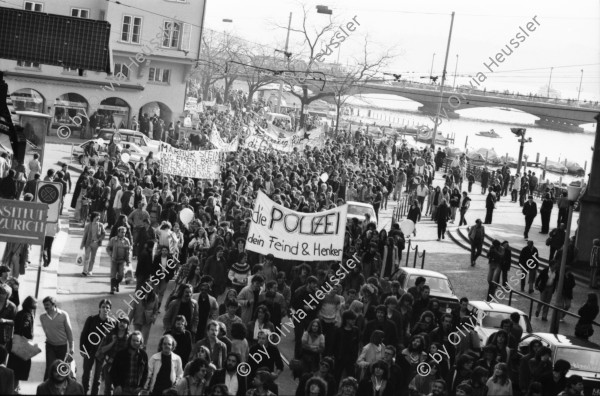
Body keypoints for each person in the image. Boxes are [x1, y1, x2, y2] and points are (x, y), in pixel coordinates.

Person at [79, 299, 116, 395]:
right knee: (86, 375)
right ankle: (84, 392)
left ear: (110, 310)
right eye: (103, 307)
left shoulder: (112, 323)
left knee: (98, 377)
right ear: (99, 308)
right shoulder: (91, 319)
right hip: (89, 350)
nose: (105, 309)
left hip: (102, 353)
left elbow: (114, 339)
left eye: (107, 307)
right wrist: (82, 349)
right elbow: (84, 335)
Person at [40, 296, 74, 381]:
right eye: (44, 305)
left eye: (47, 305)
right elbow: (46, 331)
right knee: (49, 368)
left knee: (60, 369)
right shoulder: (42, 317)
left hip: (62, 346)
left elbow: (69, 331)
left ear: (53, 304)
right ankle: (45, 389)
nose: (46, 307)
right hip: (50, 346)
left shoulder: (63, 315)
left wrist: (71, 347)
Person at [110, 331, 149, 395]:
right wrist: (117, 385)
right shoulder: (121, 354)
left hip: (136, 390)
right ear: (129, 340)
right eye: (133, 340)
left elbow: (145, 372)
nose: (135, 343)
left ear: (140, 342)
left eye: (137, 341)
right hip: (122, 389)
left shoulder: (143, 355)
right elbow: (113, 371)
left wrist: (141, 386)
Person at [106, 226, 132, 294]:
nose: (123, 234)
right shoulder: (113, 239)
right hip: (114, 260)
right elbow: (108, 248)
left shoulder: (126, 240)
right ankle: (112, 289)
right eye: (122, 232)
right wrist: (111, 254)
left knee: (121, 275)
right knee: (113, 275)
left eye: (124, 232)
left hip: (122, 261)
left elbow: (128, 251)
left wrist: (128, 260)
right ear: (118, 232)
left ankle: (116, 284)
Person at [80, 211, 106, 277]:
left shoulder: (100, 225)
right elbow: (85, 235)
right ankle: (85, 271)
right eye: (97, 217)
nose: (98, 219)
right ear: (93, 217)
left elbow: (104, 234)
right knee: (87, 257)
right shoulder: (88, 225)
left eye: (99, 218)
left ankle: (90, 270)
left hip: (96, 244)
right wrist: (82, 244)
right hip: (88, 243)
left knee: (93, 258)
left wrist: (99, 239)